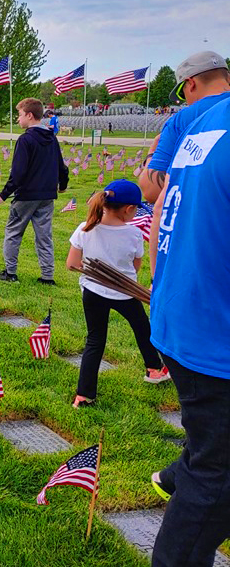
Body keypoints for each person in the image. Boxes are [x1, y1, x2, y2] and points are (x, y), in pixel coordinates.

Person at [148, 97, 230, 566]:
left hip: (183, 316)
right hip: (215, 339)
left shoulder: (203, 121)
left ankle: (180, 471)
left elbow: (157, 208)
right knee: (216, 481)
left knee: (209, 455)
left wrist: (164, 290)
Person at [65, 180, 169, 408]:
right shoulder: (133, 234)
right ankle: (154, 369)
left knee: (95, 340)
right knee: (143, 329)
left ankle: (84, 396)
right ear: (129, 209)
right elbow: (136, 266)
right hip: (125, 292)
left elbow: (71, 264)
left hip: (93, 293)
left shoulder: (85, 228)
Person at [139, 52, 230, 275]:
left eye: (182, 94)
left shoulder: (184, 119)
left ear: (190, 84)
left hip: (199, 246)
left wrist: (151, 156)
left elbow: (152, 191)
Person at [0, 98, 69, 284]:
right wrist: (62, 185)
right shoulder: (52, 138)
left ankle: (10, 272)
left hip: (26, 196)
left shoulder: (25, 139)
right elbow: (61, 167)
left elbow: (18, 173)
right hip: (47, 196)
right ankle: (47, 276)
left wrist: (3, 195)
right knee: (44, 236)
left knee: (13, 232)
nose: (18, 120)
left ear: (30, 116)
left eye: (19, 115)